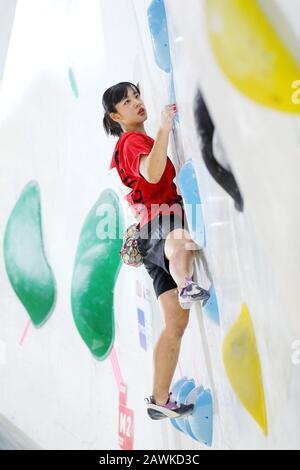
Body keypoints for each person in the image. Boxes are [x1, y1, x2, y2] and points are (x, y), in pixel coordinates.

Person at [102, 82, 210, 420]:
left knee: (175, 325)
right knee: (179, 237)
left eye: (137, 97)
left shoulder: (137, 141)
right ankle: (187, 283)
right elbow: (152, 171)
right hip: (158, 228)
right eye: (127, 102)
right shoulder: (132, 141)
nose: (137, 104)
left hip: (150, 240)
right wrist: (164, 126)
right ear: (115, 115)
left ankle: (159, 399)